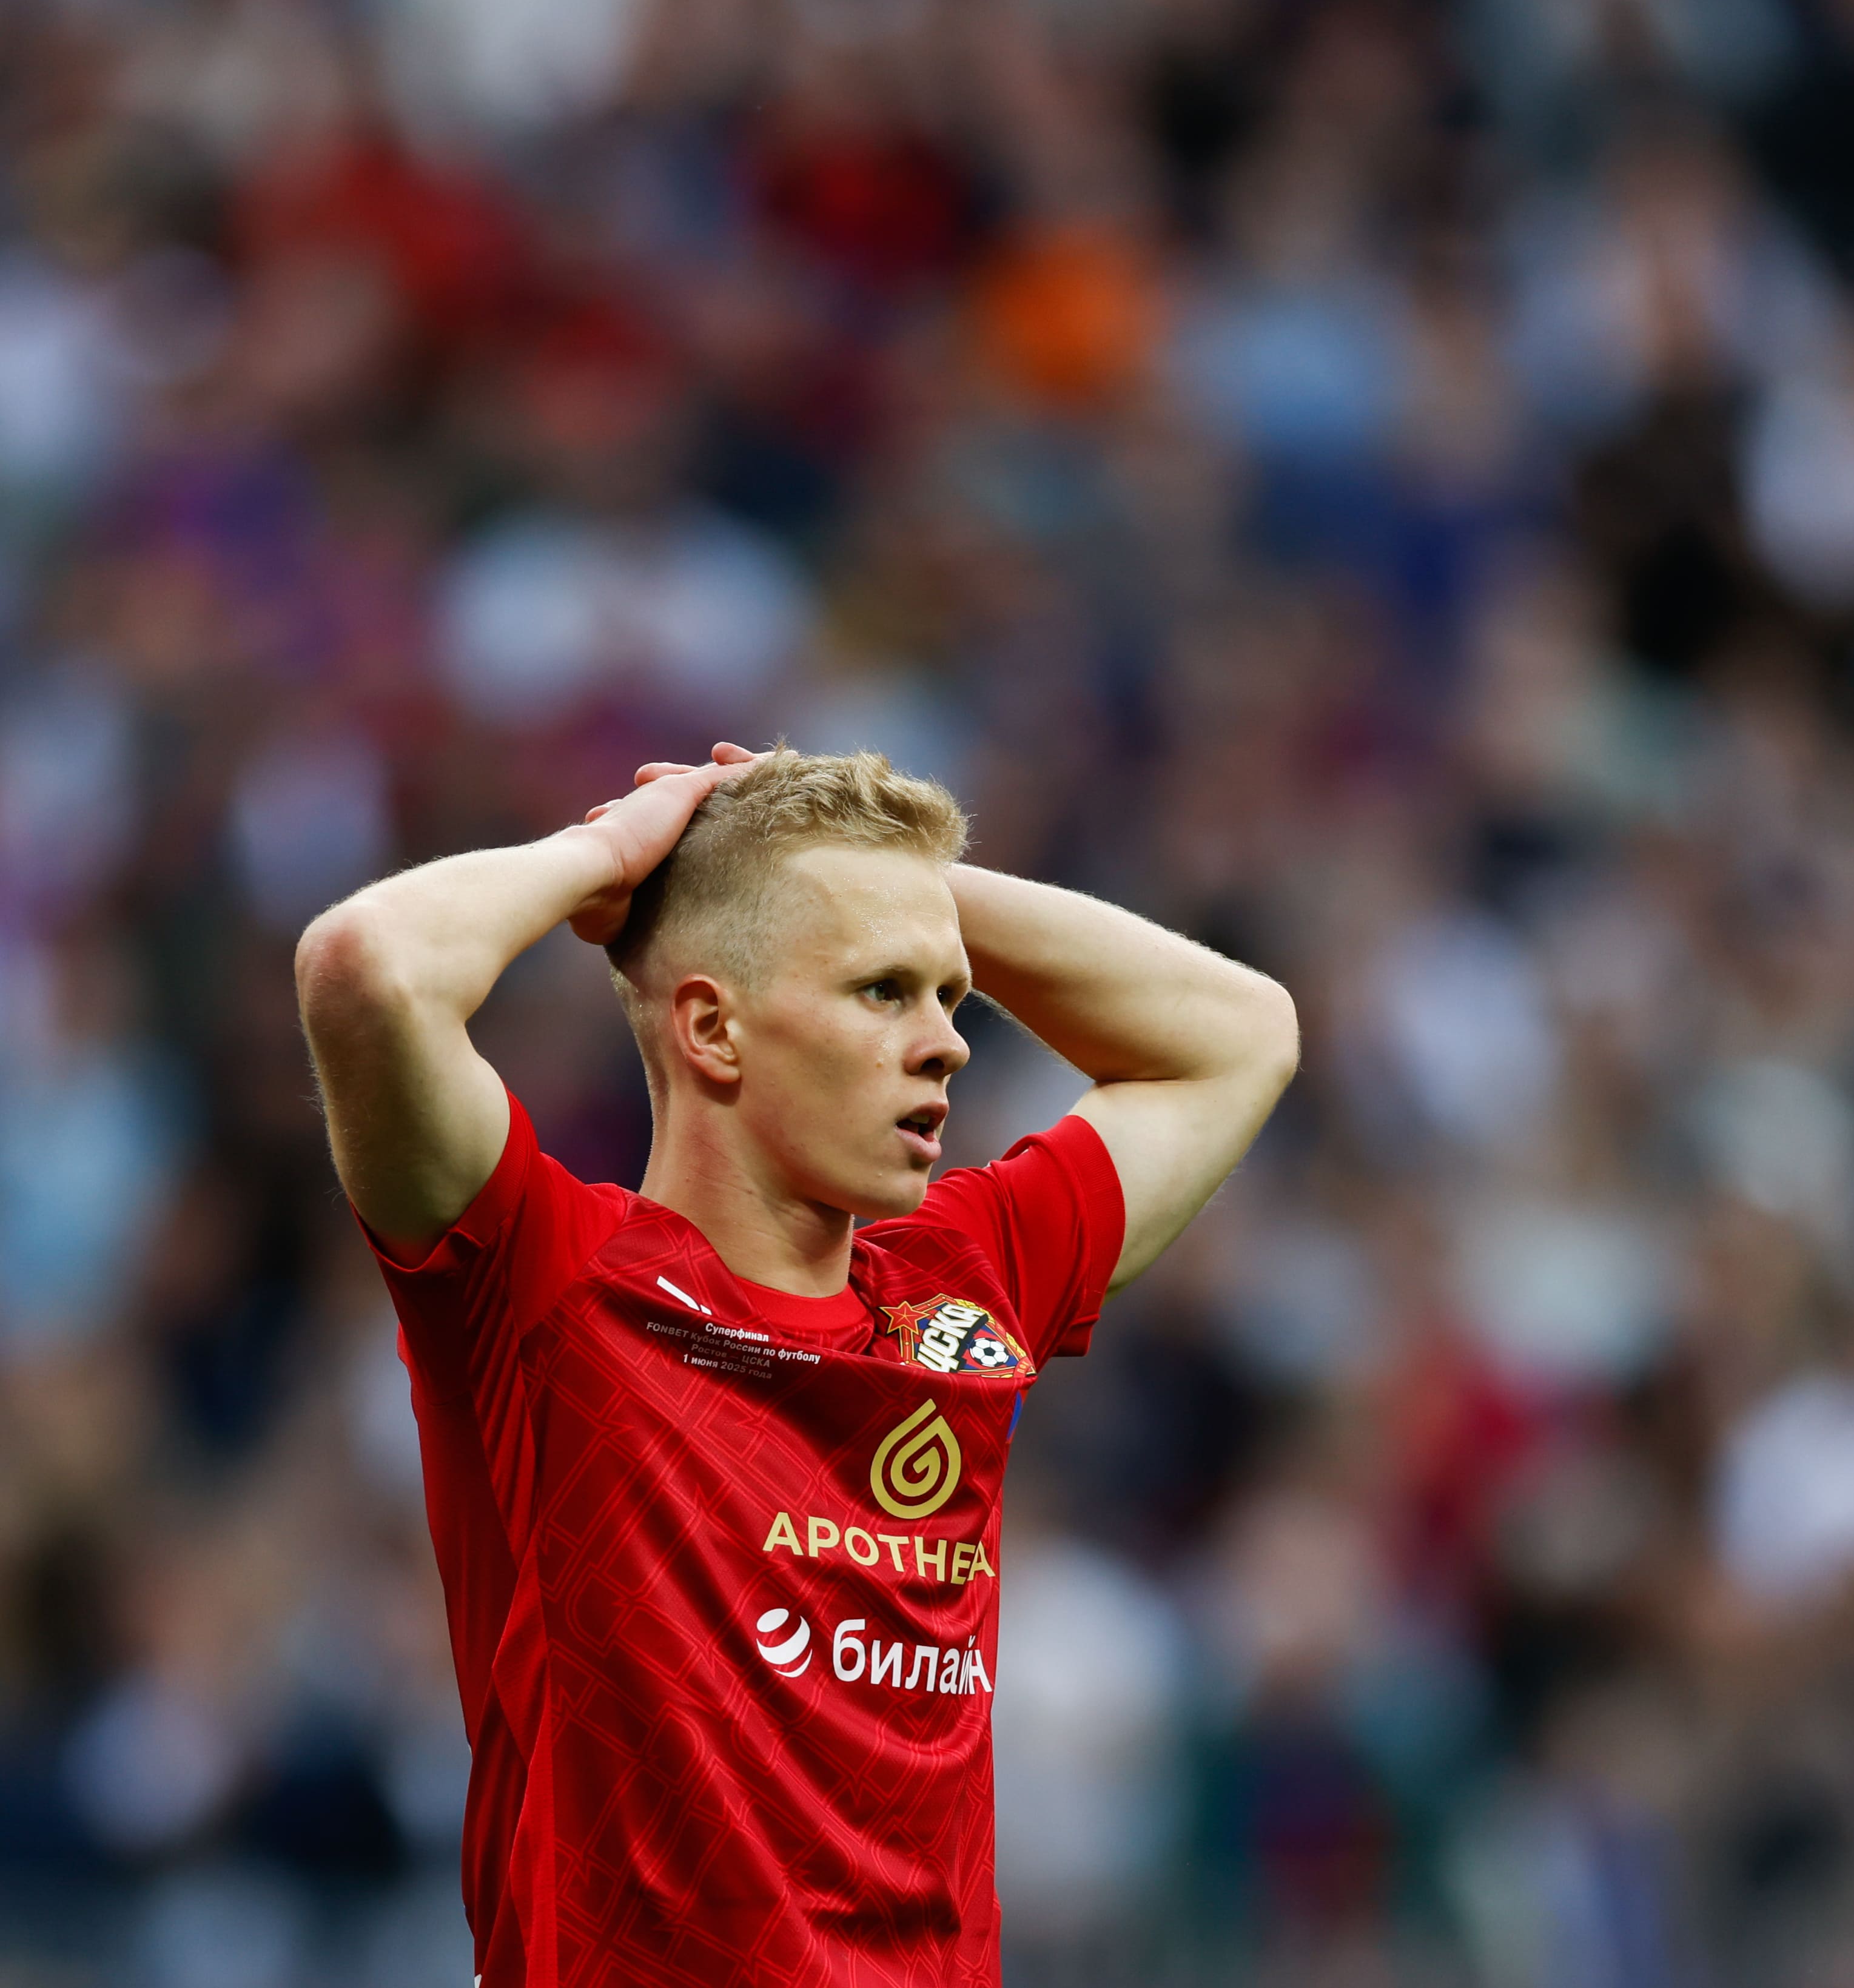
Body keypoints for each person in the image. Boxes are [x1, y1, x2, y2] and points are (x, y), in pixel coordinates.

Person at [292, 743, 1299, 1986]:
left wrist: (885, 886)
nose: (949, 1044)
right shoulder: (552, 1286)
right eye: (884, 991)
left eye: (950, 995)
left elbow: (1243, 1033)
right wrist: (613, 856)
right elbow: (366, 968)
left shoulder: (965, 1284)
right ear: (713, 1028)